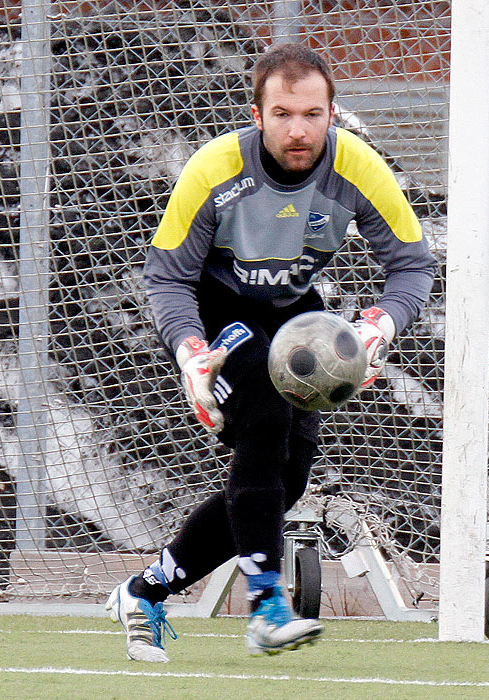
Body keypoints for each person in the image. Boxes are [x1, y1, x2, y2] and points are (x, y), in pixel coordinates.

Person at [106, 42, 436, 661]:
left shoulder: (357, 168)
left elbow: (413, 266)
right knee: (264, 417)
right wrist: (189, 353)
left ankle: (144, 591)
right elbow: (167, 277)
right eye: (282, 113)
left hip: (292, 314)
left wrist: (382, 326)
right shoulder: (213, 170)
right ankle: (265, 605)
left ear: (333, 114)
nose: (298, 128)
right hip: (215, 312)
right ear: (256, 116)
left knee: (287, 477)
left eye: (312, 114)